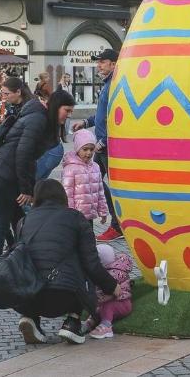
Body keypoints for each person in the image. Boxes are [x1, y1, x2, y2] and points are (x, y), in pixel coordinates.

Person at [14, 179, 119, 345]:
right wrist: (112, 286)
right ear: (62, 196)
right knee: (80, 263)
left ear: (36, 198)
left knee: (36, 264)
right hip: (64, 295)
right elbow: (91, 263)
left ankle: (30, 316)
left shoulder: (23, 222)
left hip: (27, 295)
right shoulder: (76, 218)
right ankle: (73, 322)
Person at [0, 80, 74, 262]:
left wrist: (29, 187)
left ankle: (19, 261)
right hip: (2, 176)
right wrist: (26, 189)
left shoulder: (42, 119)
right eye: (67, 111)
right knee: (1, 224)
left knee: (19, 221)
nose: (68, 116)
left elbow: (30, 158)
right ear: (57, 106)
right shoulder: (38, 119)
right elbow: (23, 154)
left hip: (6, 174)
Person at [72, 49, 121, 242]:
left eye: (103, 62)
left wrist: (104, 141)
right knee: (95, 181)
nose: (98, 65)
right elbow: (102, 115)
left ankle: (117, 226)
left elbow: (117, 117)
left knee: (108, 185)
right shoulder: (107, 84)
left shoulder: (115, 85)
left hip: (108, 147)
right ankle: (111, 223)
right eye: (98, 62)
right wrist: (85, 123)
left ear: (114, 64)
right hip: (102, 146)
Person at [83, 244, 133, 339]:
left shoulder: (114, 274)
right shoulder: (110, 269)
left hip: (122, 303)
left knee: (107, 306)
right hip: (110, 300)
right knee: (98, 308)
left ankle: (106, 326)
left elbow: (104, 293)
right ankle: (92, 320)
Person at [62, 129, 110, 224]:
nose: (88, 153)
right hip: (76, 217)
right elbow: (67, 195)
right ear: (77, 149)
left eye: (92, 149)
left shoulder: (95, 167)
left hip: (90, 215)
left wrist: (103, 211)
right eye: (85, 149)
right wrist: (69, 214)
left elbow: (100, 192)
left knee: (88, 237)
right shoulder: (70, 169)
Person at [34, 73, 66, 180]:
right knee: (38, 178)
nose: (49, 78)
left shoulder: (38, 85)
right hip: (52, 148)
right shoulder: (46, 86)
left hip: (48, 148)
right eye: (47, 77)